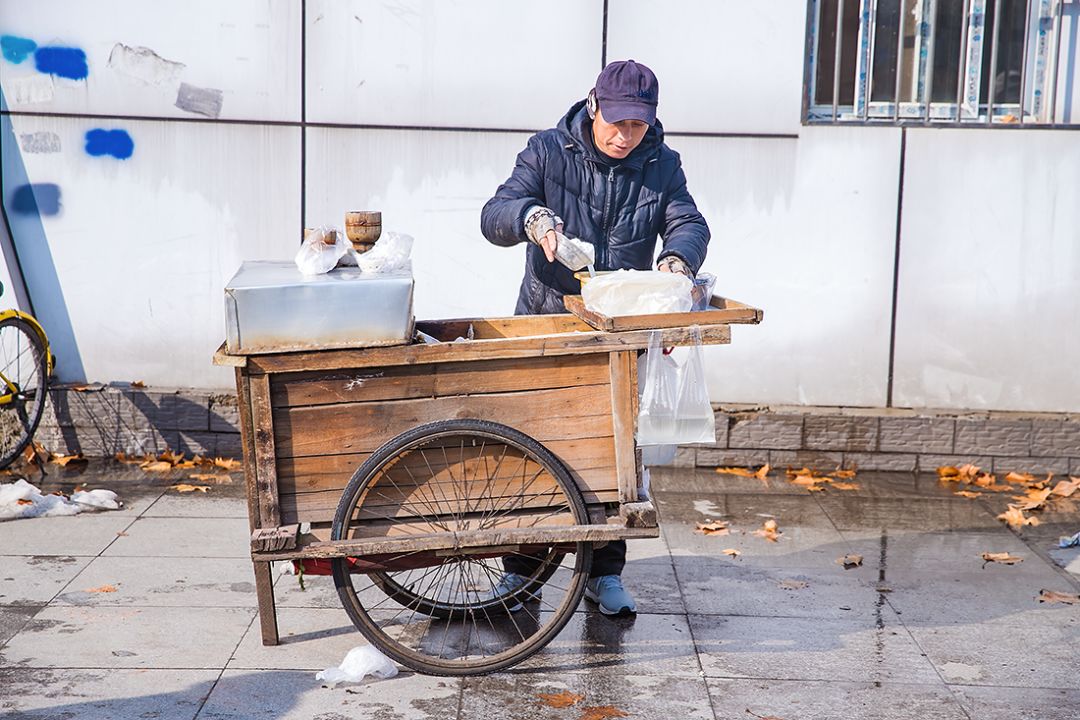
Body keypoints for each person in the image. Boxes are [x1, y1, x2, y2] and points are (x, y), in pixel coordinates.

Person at [480, 60, 710, 616]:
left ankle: (604, 572)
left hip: (619, 330)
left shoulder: (661, 162)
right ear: (593, 106)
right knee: (535, 451)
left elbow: (688, 222)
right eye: (616, 122)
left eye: (637, 125)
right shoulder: (547, 150)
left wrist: (677, 263)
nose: (625, 136)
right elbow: (495, 214)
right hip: (547, 322)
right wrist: (533, 220)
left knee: (615, 453)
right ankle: (524, 574)